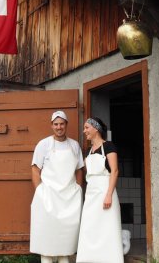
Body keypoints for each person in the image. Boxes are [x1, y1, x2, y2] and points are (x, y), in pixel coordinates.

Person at [30, 111, 84, 263]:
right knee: (47, 235)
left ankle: (64, 259)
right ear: (51, 125)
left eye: (61, 124)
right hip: (48, 196)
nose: (59, 127)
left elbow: (79, 169)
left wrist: (78, 189)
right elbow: (35, 168)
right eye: (56, 124)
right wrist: (40, 190)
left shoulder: (74, 145)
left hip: (69, 198)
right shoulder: (44, 144)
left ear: (66, 125)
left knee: (65, 239)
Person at [76, 117, 124, 263]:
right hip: (91, 194)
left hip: (105, 191)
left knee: (107, 228)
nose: (84, 131)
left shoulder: (109, 146)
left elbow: (114, 171)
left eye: (86, 128)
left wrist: (108, 195)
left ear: (95, 129)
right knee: (90, 227)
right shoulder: (88, 151)